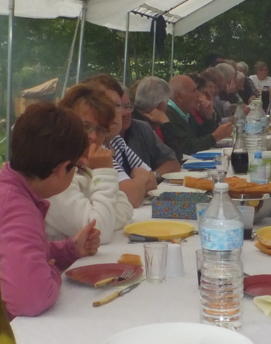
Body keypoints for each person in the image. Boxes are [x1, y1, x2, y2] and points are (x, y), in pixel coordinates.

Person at [0, 104, 101, 319]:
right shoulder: (17, 209)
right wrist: (51, 272)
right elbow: (32, 300)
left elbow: (14, 254)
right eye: (77, 168)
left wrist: (69, 250)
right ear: (62, 169)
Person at [45, 84, 137, 242]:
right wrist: (104, 171)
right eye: (85, 126)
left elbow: (126, 208)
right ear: (65, 125)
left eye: (100, 129)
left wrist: (105, 219)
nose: (93, 136)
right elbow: (99, 231)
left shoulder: (83, 166)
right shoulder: (53, 172)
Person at [87, 74, 160, 207]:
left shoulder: (116, 141)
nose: (113, 112)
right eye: (106, 105)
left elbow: (153, 182)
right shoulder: (94, 145)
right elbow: (131, 198)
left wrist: (134, 185)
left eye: (117, 105)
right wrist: (140, 177)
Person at [161, 75, 232, 157]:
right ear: (179, 96)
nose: (198, 94)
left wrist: (208, 115)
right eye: (194, 91)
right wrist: (215, 137)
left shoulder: (185, 112)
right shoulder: (169, 114)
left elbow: (200, 136)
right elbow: (185, 148)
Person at [122, 76, 180, 175]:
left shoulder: (141, 127)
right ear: (161, 105)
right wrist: (165, 123)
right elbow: (178, 157)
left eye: (128, 106)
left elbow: (174, 162)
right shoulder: (140, 127)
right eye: (120, 107)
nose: (127, 113)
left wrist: (152, 176)